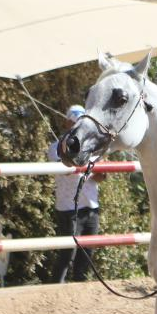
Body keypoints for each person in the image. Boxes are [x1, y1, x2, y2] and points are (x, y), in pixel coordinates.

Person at [49, 105, 106, 283]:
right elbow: (67, 169)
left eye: (79, 123)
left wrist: (93, 168)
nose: (76, 127)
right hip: (68, 208)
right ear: (66, 123)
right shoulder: (56, 146)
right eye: (73, 123)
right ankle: (54, 290)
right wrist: (89, 166)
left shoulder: (91, 148)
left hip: (91, 206)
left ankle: (78, 294)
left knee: (87, 255)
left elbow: (101, 176)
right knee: (67, 254)